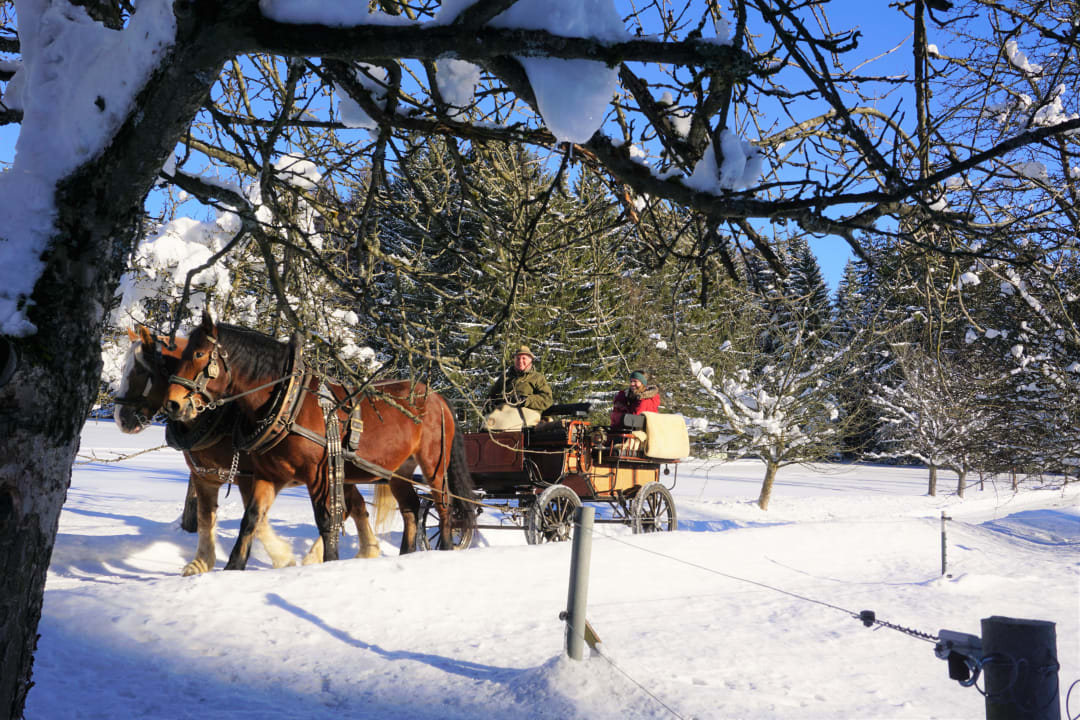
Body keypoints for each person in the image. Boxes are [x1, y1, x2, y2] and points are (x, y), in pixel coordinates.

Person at [485, 346, 553, 429]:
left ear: (530, 360)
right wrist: (490, 406)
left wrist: (525, 400)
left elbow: (547, 399)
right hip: (503, 412)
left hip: (527, 413)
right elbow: (491, 398)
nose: (520, 361)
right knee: (487, 423)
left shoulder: (537, 378)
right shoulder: (505, 378)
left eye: (524, 358)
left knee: (505, 424)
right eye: (518, 358)